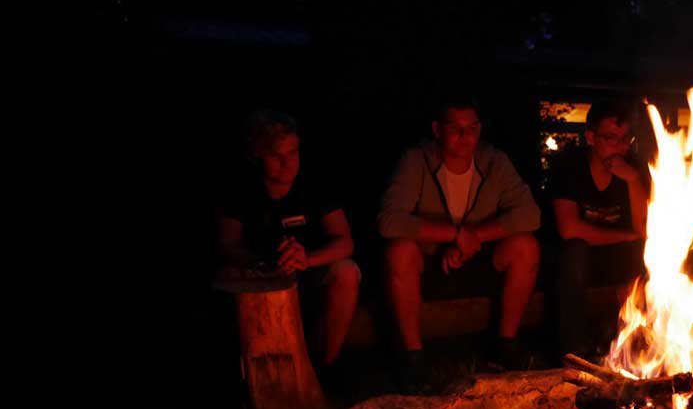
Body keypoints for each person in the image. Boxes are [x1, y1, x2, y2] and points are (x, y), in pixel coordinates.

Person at [378, 96, 541, 380]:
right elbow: (390, 220)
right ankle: (413, 359)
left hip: (480, 258)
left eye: (471, 129)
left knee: (526, 247)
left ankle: (505, 346)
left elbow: (530, 214)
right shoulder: (417, 161)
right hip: (429, 260)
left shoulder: (494, 162)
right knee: (399, 251)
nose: (465, 137)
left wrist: (473, 237)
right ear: (437, 130)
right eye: (455, 129)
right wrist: (453, 235)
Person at [218, 109, 360, 367]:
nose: (288, 163)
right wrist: (265, 259)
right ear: (256, 156)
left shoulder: (314, 183)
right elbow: (227, 244)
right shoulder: (241, 187)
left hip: (309, 272)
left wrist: (306, 259)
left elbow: (345, 241)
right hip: (262, 272)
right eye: (276, 155)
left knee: (347, 272)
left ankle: (326, 368)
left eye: (293, 152)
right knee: (227, 275)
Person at [550, 100, 649, 358]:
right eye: (611, 138)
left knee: (647, 256)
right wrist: (626, 236)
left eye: (625, 139)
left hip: (618, 257)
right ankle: (574, 352)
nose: (621, 147)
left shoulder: (632, 168)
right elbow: (569, 228)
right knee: (575, 252)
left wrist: (633, 180)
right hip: (577, 258)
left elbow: (644, 229)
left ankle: (634, 351)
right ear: (591, 137)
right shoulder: (570, 167)